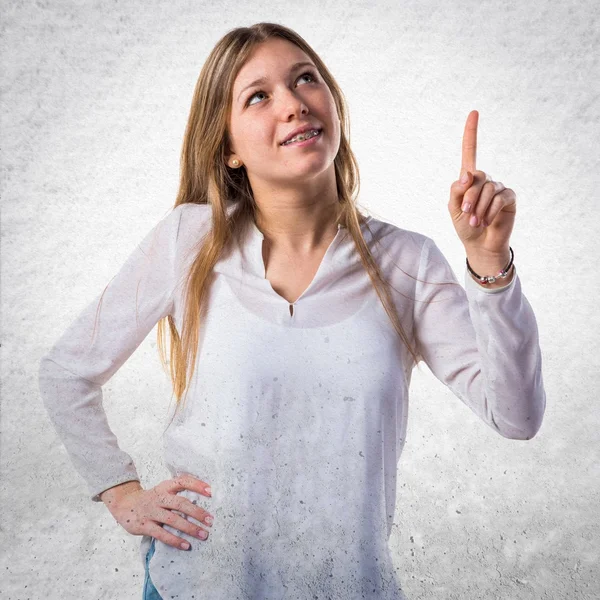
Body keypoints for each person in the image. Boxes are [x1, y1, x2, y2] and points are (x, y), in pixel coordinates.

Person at [38, 22, 546, 600]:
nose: (294, 104)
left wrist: (489, 263)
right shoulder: (190, 242)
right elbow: (66, 372)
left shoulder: (407, 263)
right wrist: (121, 491)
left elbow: (517, 416)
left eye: (306, 80)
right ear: (227, 145)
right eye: (259, 95)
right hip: (196, 587)